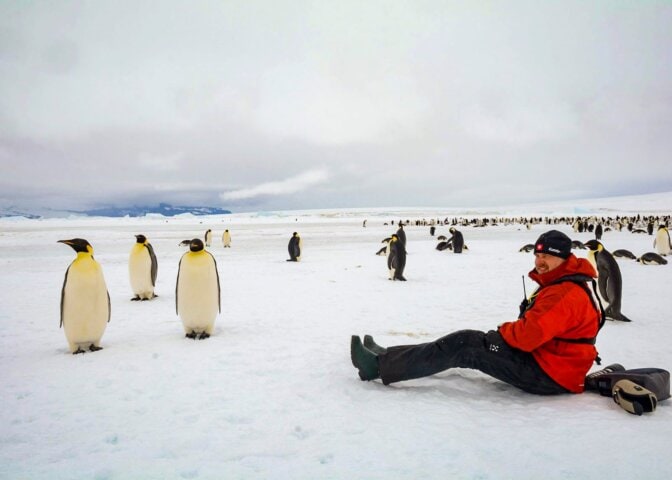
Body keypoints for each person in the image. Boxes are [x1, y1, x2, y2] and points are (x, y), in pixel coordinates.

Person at [350, 230, 602, 394]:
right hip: (551, 363)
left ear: (563, 258)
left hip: (549, 373)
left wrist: (504, 332)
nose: (539, 261)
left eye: (547, 255)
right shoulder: (565, 284)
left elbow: (527, 336)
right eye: (538, 255)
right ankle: (386, 356)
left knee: (464, 345)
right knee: (466, 340)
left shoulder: (564, 293)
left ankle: (377, 367)